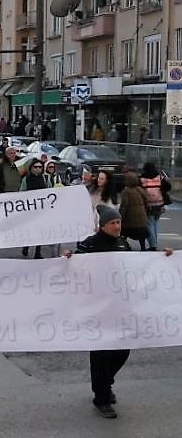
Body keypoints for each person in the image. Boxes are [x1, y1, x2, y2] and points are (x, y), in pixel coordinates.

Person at [63, 205, 174, 419]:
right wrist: (68, 257)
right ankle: (102, 397)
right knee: (100, 352)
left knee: (123, 349)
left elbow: (137, 264)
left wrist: (161, 255)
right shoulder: (90, 244)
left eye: (119, 222)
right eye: (113, 223)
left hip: (120, 305)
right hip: (97, 306)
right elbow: (76, 265)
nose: (117, 226)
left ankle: (105, 383)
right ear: (102, 226)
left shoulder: (123, 243)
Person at [140, 162, 171, 251]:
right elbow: (168, 187)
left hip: (148, 205)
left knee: (149, 225)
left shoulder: (142, 179)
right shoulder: (159, 177)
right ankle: (154, 243)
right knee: (155, 224)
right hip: (159, 204)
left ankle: (153, 245)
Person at [118, 171, 149, 250]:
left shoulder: (126, 191)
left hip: (130, 218)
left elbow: (125, 205)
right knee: (141, 235)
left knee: (124, 232)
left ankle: (123, 246)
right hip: (141, 217)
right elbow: (146, 200)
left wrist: (120, 216)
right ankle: (143, 248)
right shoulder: (140, 189)